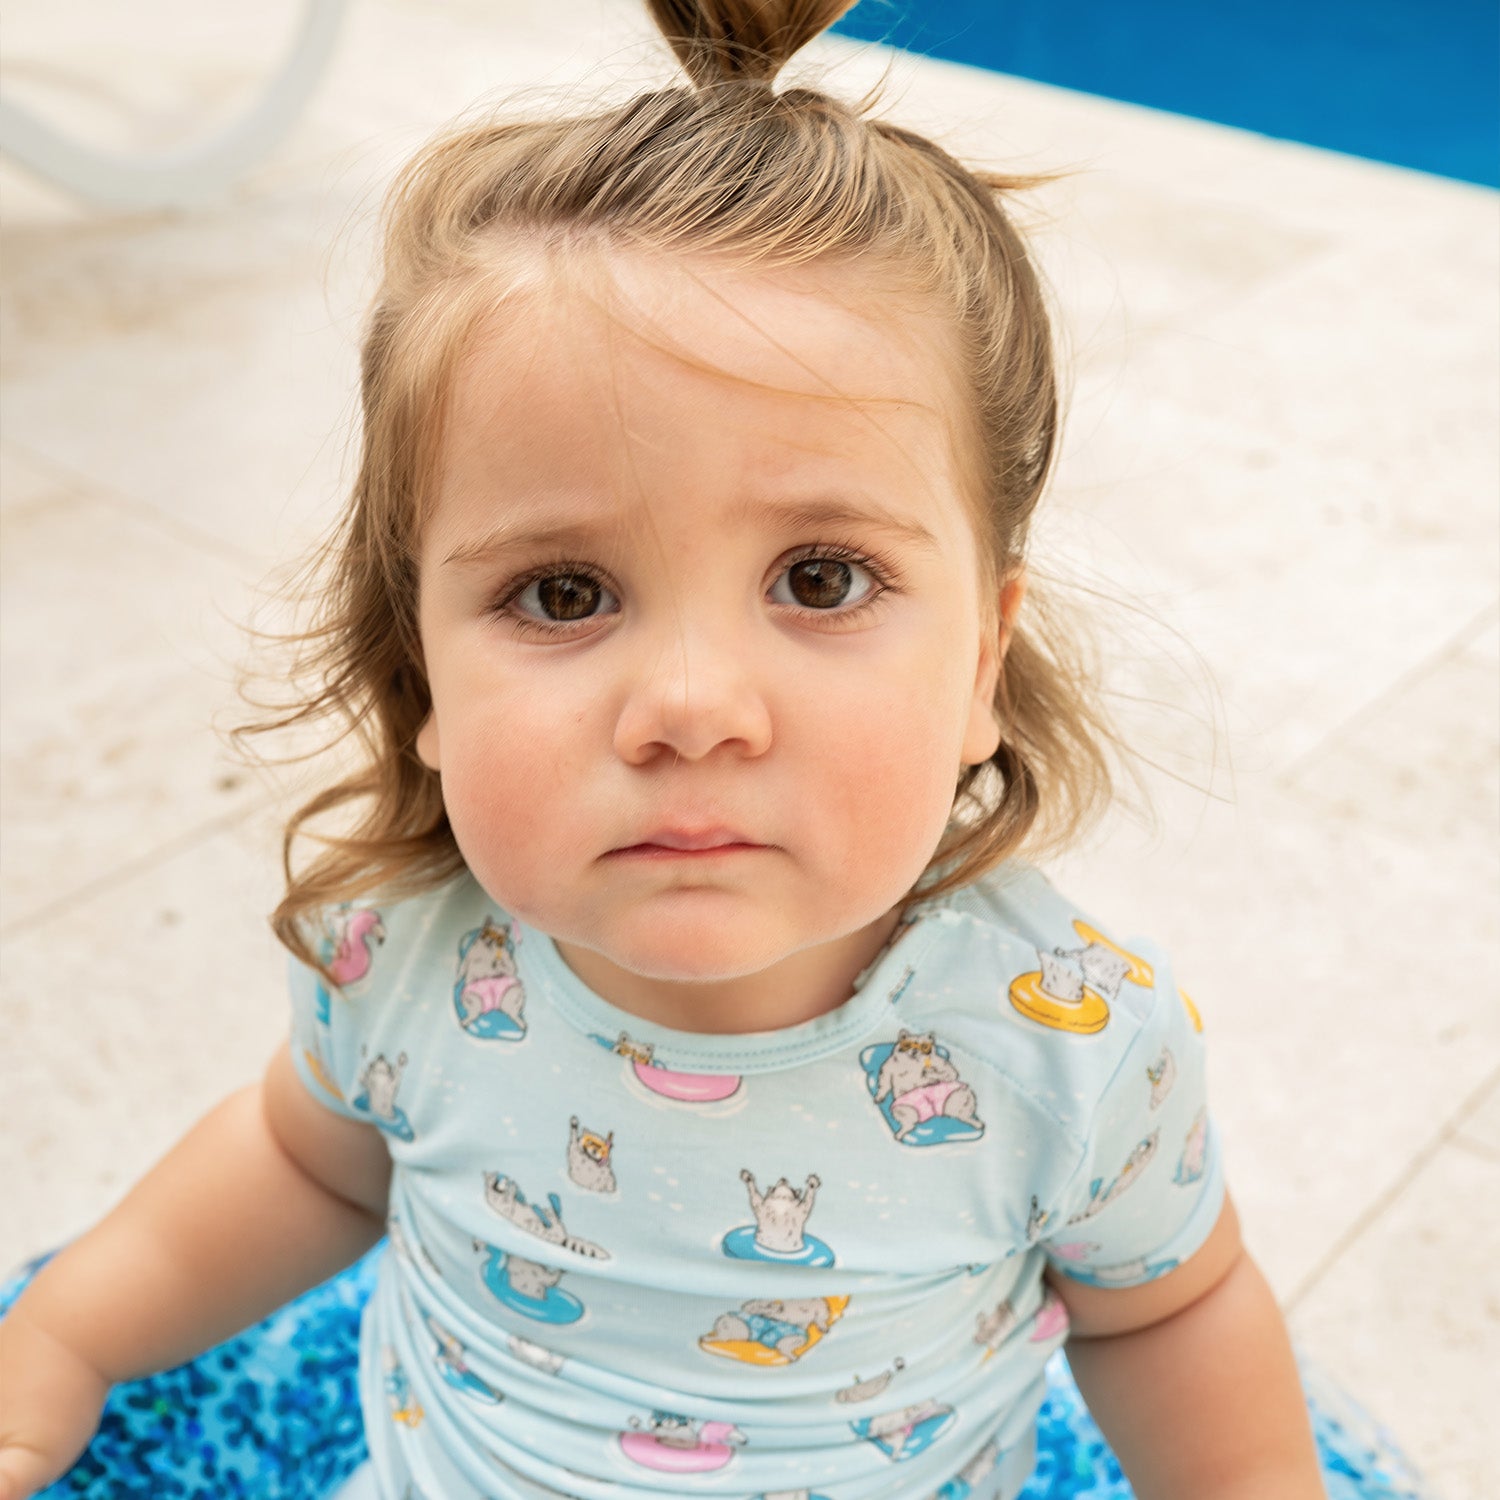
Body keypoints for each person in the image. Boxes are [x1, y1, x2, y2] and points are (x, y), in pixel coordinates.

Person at [0, 4, 1430, 1498]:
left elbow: (1169, 1311)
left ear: (981, 664)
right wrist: (71, 1338)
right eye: (565, 595)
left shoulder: (1065, 1050)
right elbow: (304, 1164)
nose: (690, 705)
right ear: (420, 669)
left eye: (820, 579)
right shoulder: (403, 959)